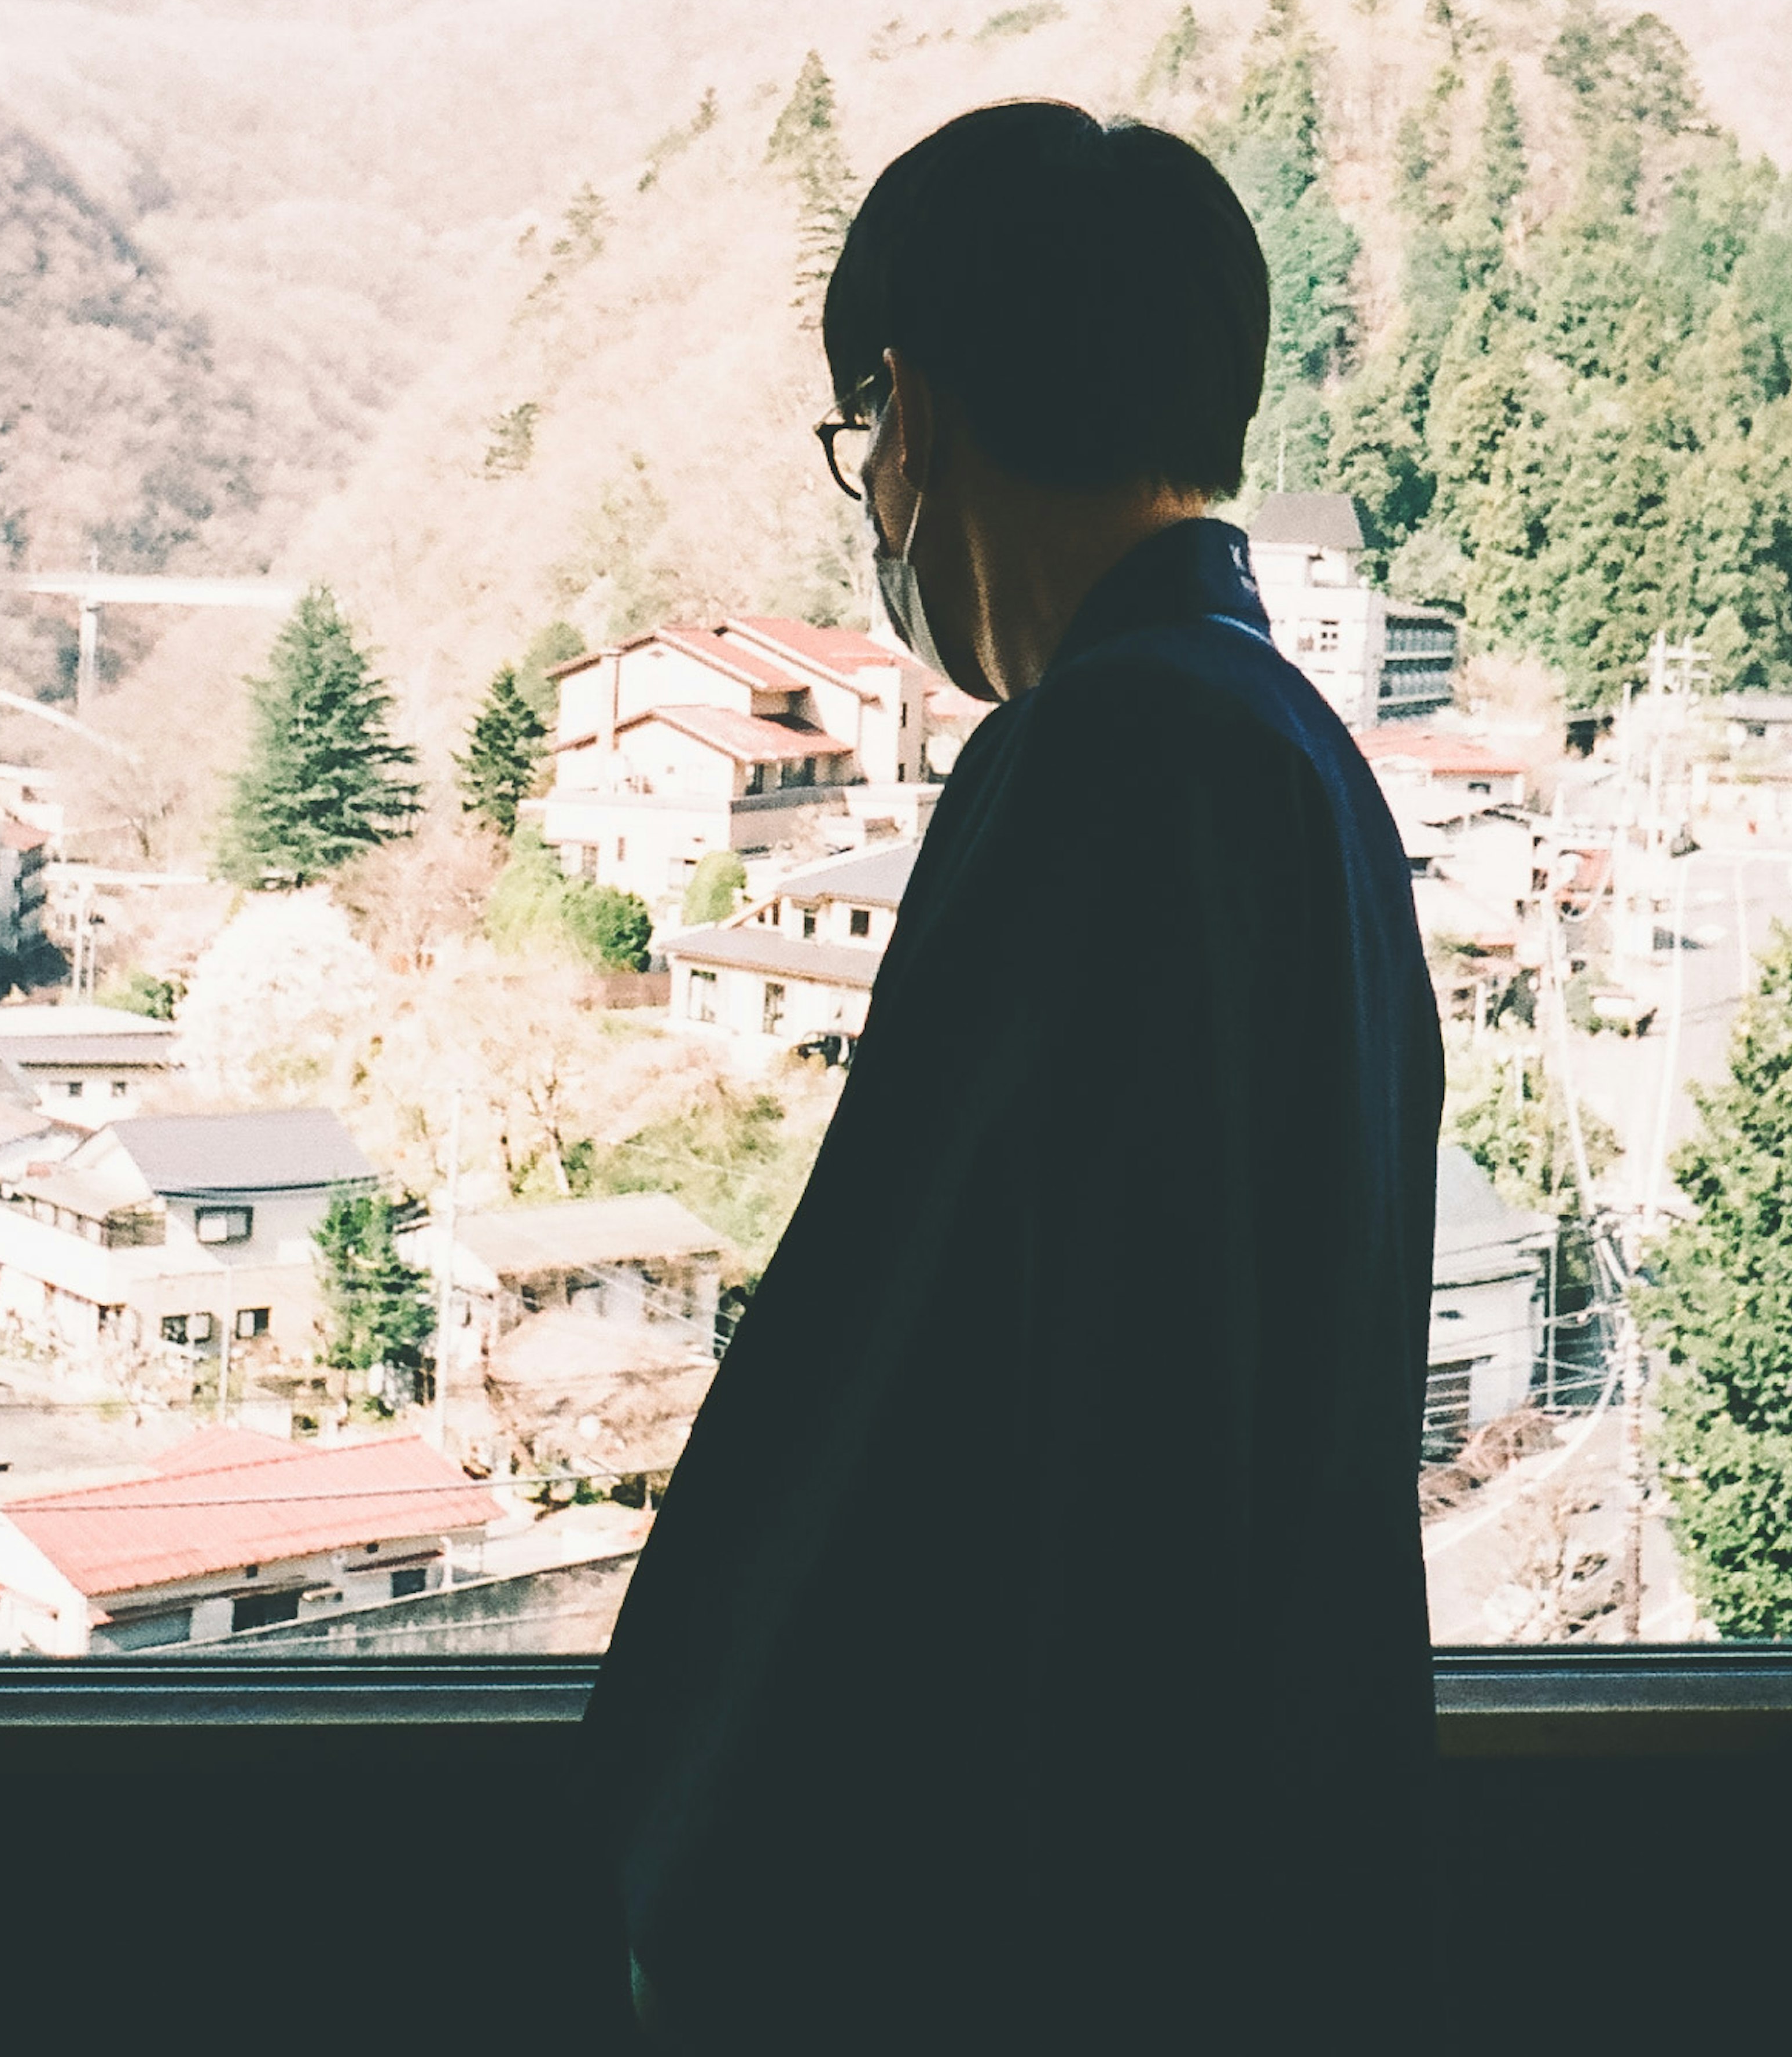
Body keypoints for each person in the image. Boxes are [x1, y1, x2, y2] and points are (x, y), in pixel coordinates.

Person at [584, 100, 1443, 2055]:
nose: (874, 506)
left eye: (861, 444)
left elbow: (924, 1402)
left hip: (1038, 1931)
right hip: (1246, 1894)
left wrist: (689, 1843)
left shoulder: (1101, 760)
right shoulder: (1303, 767)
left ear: (911, 411)